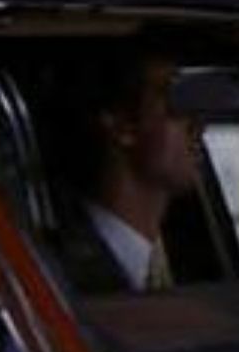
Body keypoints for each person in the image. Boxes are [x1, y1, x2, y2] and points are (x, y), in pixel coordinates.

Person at [51, 38, 207, 294]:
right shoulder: (61, 278)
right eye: (178, 104)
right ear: (124, 125)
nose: (199, 126)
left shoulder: (190, 261)